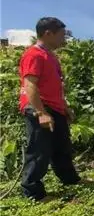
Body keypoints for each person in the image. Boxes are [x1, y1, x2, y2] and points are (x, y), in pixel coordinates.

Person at [19, 17, 81, 201]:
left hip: (55, 108)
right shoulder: (34, 55)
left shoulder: (51, 56)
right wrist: (40, 112)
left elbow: (55, 87)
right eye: (61, 35)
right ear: (48, 34)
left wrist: (65, 107)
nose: (64, 39)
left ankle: (70, 180)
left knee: (62, 147)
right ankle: (33, 192)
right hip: (40, 107)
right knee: (39, 151)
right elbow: (30, 85)